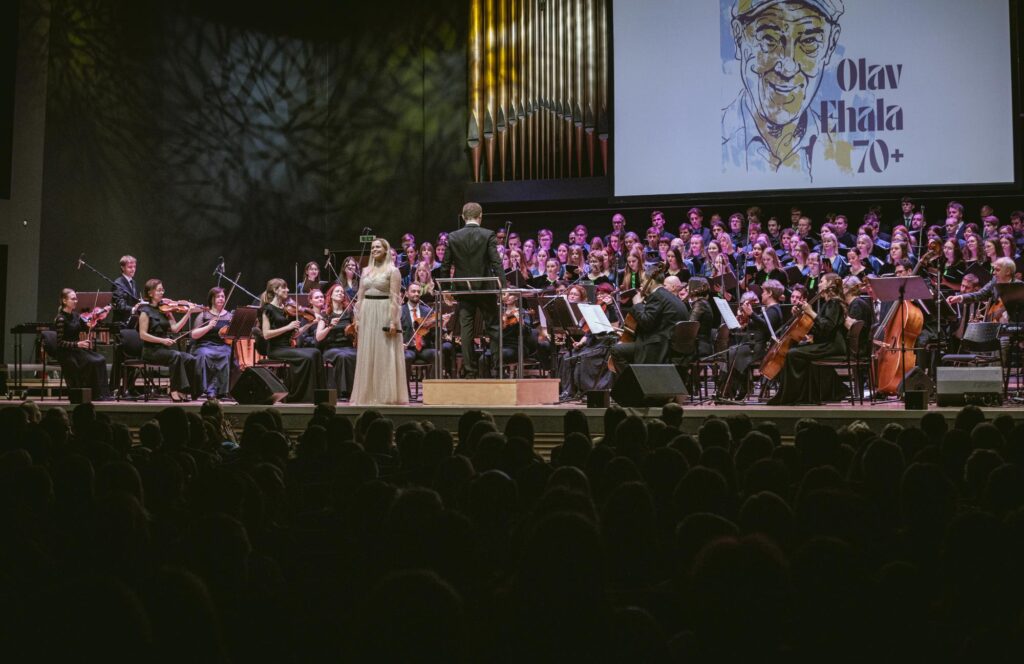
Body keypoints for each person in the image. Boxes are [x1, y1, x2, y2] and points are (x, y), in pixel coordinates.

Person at [722, 0, 844, 180]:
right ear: (738, 37)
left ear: (830, 45)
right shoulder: (711, 141)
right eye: (769, 39)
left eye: (809, 41)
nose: (788, 67)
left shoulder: (841, 143)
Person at [439, 202, 505, 379]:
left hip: (463, 290)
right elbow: (496, 262)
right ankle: (497, 370)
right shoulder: (487, 234)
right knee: (493, 327)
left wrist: (445, 289)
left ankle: (470, 371)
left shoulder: (453, 237)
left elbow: (445, 265)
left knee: (466, 330)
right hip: (485, 288)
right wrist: (504, 286)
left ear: (463, 217)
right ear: (480, 216)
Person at [767, 272, 848, 405]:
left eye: (821, 281)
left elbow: (827, 327)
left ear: (830, 284)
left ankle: (794, 396)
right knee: (794, 349)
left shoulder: (834, 303)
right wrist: (801, 316)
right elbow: (818, 328)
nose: (819, 284)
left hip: (832, 345)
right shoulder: (829, 303)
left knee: (793, 354)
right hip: (826, 342)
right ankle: (802, 395)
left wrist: (810, 312)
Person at [351, 238, 408, 404]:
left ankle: (385, 395)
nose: (374, 250)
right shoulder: (365, 270)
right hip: (367, 312)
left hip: (384, 311)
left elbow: (395, 298)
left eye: (377, 247)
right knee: (367, 353)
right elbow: (360, 296)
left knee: (384, 353)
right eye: (372, 247)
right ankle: (367, 395)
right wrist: (357, 318)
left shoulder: (393, 271)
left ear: (385, 250)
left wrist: (393, 321)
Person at [609, 265, 690, 372]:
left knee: (616, 350)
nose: (641, 284)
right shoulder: (669, 296)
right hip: (672, 347)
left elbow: (646, 322)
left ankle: (635, 380)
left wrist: (637, 304)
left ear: (651, 282)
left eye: (643, 281)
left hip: (658, 347)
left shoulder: (657, 296)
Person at [260, 278, 325, 403]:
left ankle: (319, 395)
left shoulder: (286, 309)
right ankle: (300, 396)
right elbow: (266, 334)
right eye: (284, 288)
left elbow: (295, 335)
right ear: (275, 290)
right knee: (308, 357)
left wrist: (310, 324)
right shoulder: (267, 309)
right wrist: (288, 327)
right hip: (276, 349)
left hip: (287, 347)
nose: (288, 290)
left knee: (316, 353)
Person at [138, 279, 198, 402]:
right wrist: (162, 340)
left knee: (190, 358)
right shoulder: (145, 311)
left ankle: (185, 390)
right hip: (151, 351)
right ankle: (174, 390)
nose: (162, 292)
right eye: (159, 290)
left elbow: (175, 329)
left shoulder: (165, 310)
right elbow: (143, 335)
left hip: (164, 350)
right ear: (150, 293)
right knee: (176, 355)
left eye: (162, 290)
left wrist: (188, 314)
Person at [53, 288, 111, 400]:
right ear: (64, 301)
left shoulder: (76, 316)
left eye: (76, 299)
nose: (76, 301)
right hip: (66, 352)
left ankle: (102, 394)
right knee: (92, 361)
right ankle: (93, 394)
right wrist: (77, 344)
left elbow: (86, 327)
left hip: (77, 350)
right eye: (73, 299)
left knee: (101, 359)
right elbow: (59, 343)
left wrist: (95, 319)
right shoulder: (61, 319)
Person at [189, 287, 234, 400]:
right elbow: (194, 334)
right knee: (204, 355)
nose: (221, 298)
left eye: (222, 296)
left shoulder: (229, 316)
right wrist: (208, 327)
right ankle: (206, 389)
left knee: (227, 355)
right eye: (218, 296)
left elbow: (233, 336)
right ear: (211, 299)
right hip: (205, 345)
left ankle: (221, 391)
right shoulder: (204, 315)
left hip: (222, 346)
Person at [317, 283, 357, 400]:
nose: (340, 293)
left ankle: (356, 391)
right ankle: (344, 392)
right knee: (343, 356)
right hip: (332, 348)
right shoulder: (325, 314)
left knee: (358, 355)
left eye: (342, 292)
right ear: (331, 295)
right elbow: (318, 337)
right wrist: (329, 326)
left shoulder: (349, 313)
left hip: (348, 347)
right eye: (337, 291)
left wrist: (356, 327)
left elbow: (356, 329)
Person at [111, 254, 142, 328]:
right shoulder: (118, 283)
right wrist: (133, 309)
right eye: (130, 267)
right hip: (121, 324)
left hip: (132, 323)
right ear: (122, 268)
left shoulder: (133, 282)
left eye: (134, 267)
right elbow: (120, 305)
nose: (133, 269)